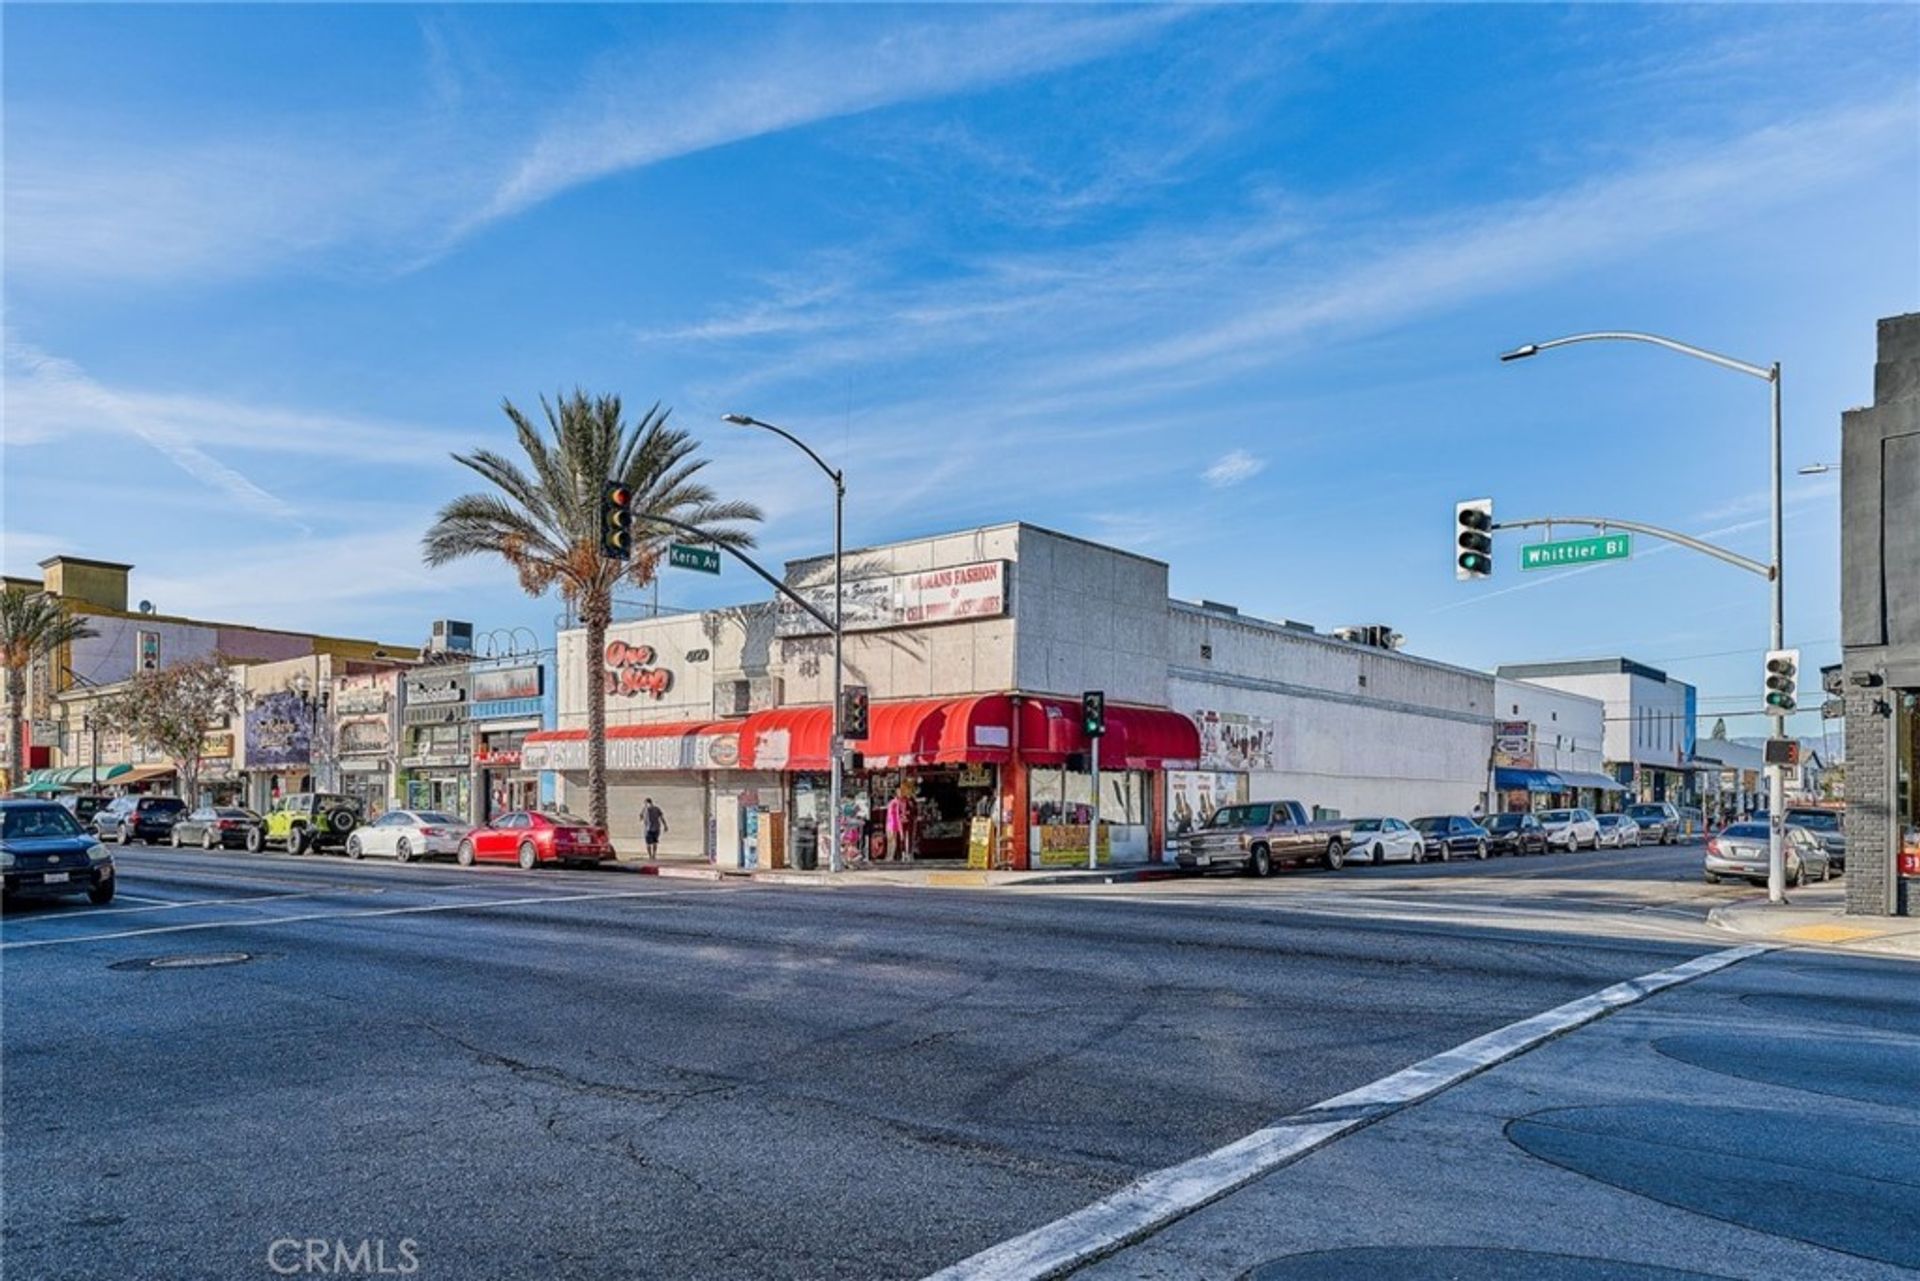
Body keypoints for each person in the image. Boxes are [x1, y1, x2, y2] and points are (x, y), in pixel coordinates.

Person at [885, 788, 910, 862]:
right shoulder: (894, 802)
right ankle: (889, 855)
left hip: (893, 823)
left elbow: (897, 815)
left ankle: (890, 856)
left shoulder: (897, 803)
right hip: (890, 823)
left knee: (892, 840)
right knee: (890, 840)